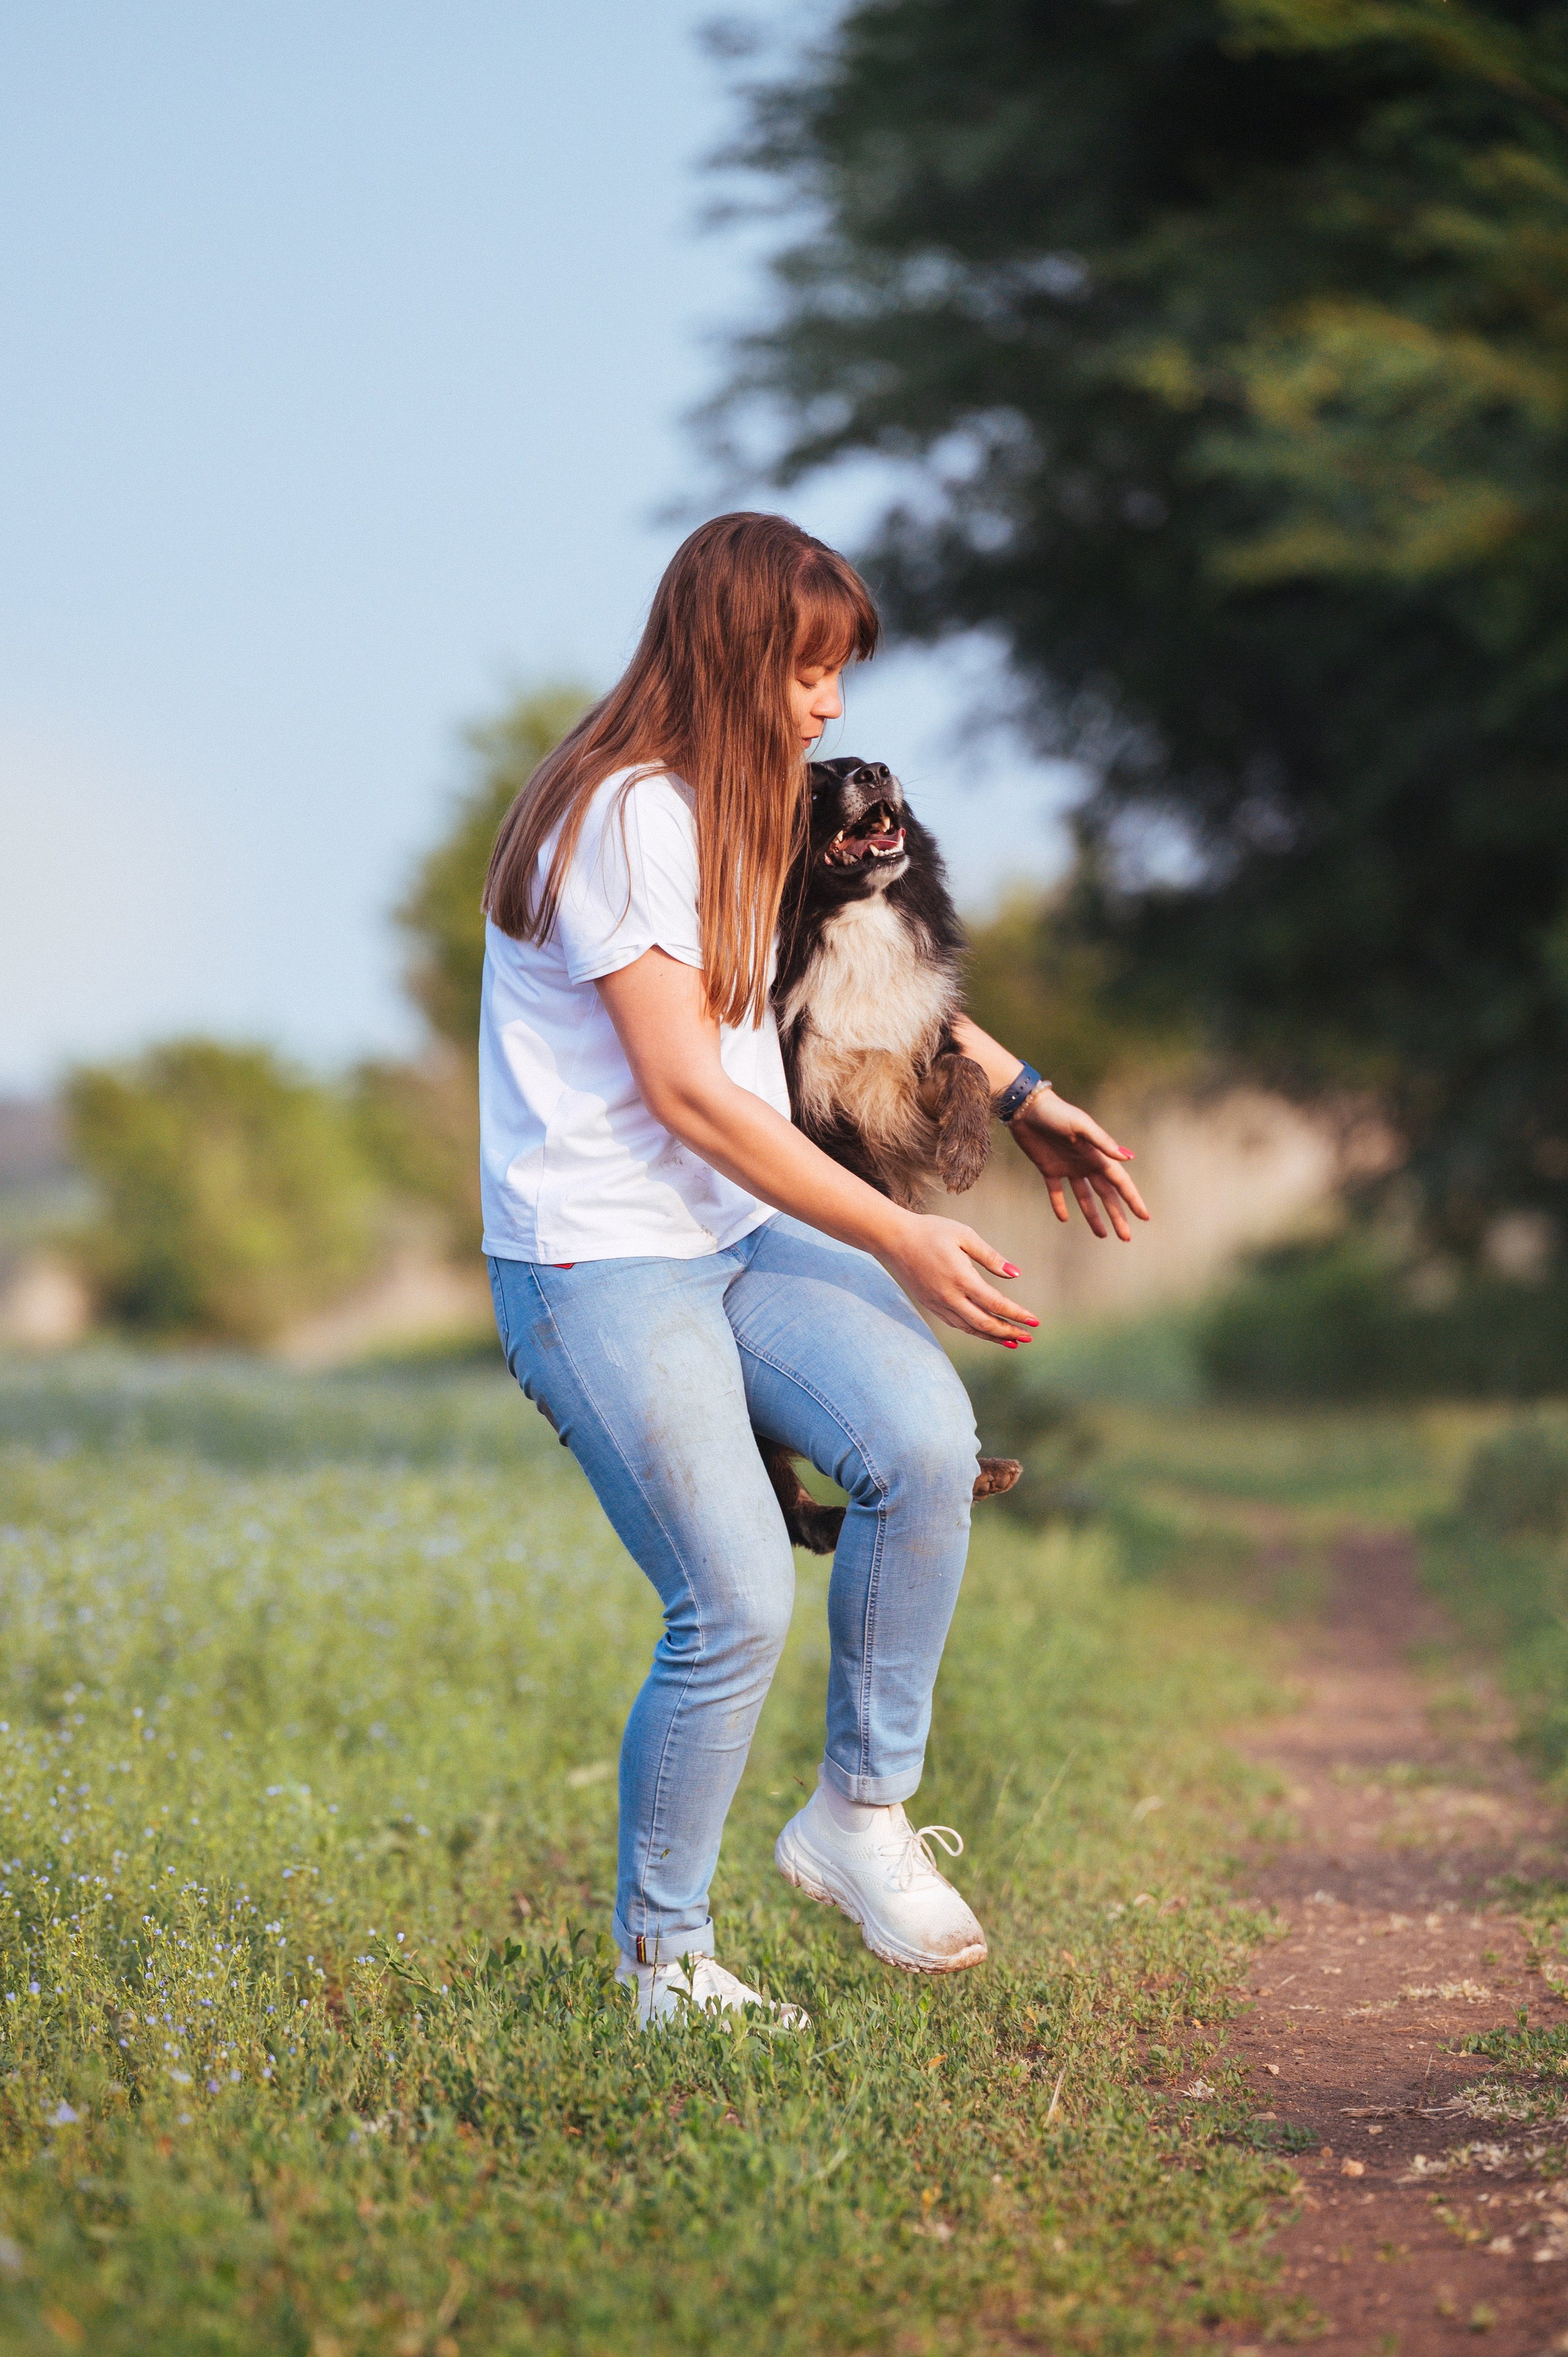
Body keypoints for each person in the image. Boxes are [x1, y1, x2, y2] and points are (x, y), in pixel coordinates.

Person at [479, 513, 1148, 2026]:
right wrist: (895, 1232)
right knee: (731, 1604)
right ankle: (667, 1962)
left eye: (839, 671)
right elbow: (692, 1094)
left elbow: (864, 970)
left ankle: (856, 1812)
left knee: (921, 1443)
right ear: (733, 655)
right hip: (599, 1266)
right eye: (809, 668)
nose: (829, 704)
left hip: (728, 1236)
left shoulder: (746, 805)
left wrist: (1024, 1094)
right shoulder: (619, 816)